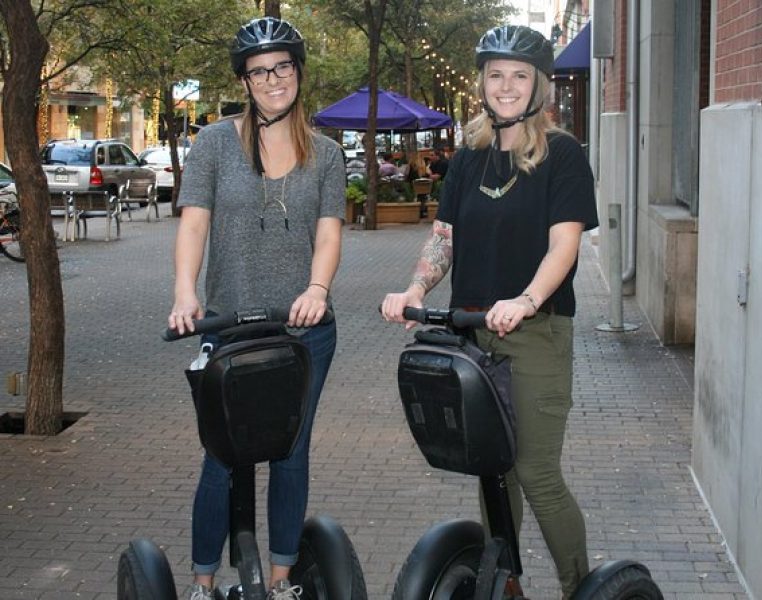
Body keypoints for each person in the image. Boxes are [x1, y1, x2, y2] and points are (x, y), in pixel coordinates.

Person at [380, 24, 597, 598]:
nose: (506, 87)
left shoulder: (564, 155)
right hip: (473, 336)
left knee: (536, 472)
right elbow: (444, 238)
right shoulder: (469, 158)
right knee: (493, 470)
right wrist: (415, 290)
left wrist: (526, 300)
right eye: (496, 75)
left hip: (536, 336)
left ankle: (582, 587)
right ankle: (507, 586)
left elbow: (564, 245)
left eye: (519, 76)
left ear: (539, 86)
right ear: (482, 83)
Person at [167, 16, 345, 600]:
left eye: (282, 67)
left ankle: (280, 581)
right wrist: (185, 293)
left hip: (302, 332)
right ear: (244, 81)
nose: (273, 80)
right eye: (259, 71)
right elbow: (194, 223)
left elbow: (328, 233)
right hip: (228, 324)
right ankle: (202, 584)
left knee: (290, 453)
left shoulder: (325, 152)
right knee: (221, 458)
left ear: (298, 72)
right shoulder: (215, 143)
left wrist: (317, 291)